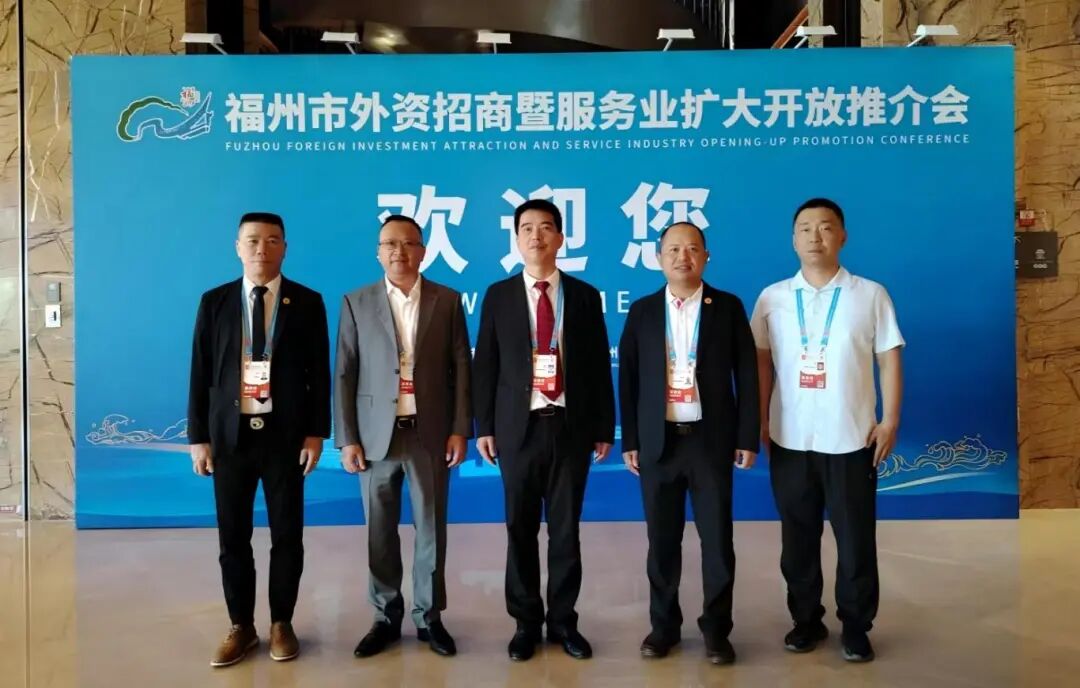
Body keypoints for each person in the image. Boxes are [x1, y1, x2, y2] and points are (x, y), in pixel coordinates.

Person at [751, 198, 904, 663]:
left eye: (825, 227)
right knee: (797, 539)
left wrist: (890, 419)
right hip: (789, 438)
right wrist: (760, 419)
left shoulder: (870, 294)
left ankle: (856, 626)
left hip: (852, 438)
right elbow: (761, 364)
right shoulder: (773, 298)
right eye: (804, 228)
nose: (814, 237)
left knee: (855, 539)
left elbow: (888, 358)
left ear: (842, 236)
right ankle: (806, 621)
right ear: (792, 239)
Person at [472, 199, 615, 662]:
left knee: (566, 531)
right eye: (527, 228)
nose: (537, 236)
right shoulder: (498, 295)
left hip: (571, 428)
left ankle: (564, 623)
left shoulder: (584, 296)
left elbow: (598, 366)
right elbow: (486, 364)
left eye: (546, 227)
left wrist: (603, 427)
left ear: (560, 238)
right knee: (520, 529)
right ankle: (525, 624)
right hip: (518, 429)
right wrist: (484, 426)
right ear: (516, 238)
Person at [188, 212, 330, 667]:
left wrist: (316, 432)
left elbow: (319, 373)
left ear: (284, 247)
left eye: (272, 240)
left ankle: (281, 623)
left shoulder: (307, 302)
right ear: (237, 247)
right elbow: (200, 372)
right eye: (252, 240)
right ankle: (241, 626)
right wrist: (199, 437)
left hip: (285, 438)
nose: (261, 249)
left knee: (287, 535)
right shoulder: (215, 302)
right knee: (233, 537)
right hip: (229, 439)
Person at [618, 222, 759, 665]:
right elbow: (628, 379)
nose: (683, 257)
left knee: (717, 542)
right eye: (674, 249)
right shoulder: (642, 311)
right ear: (659, 257)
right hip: (659, 443)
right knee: (662, 542)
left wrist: (746, 436)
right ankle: (664, 627)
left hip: (709, 442)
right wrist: (631, 439)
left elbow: (747, 375)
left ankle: (717, 630)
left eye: (693, 248)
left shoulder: (728, 307)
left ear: (706, 256)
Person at [334, 215, 472, 658]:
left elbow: (461, 369)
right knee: (379, 531)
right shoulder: (356, 302)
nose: (399, 251)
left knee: (431, 529)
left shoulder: (447, 300)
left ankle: (430, 618)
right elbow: (345, 372)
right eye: (390, 244)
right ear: (378, 252)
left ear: (423, 251)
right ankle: (385, 617)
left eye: (409, 243)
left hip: (429, 434)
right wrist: (347, 438)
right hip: (376, 437)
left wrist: (459, 429)